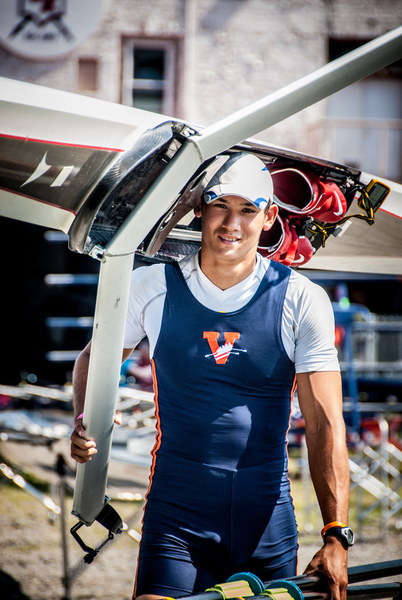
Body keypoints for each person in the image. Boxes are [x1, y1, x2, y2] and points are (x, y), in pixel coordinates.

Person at [70, 152, 351, 600]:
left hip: (266, 521)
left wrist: (337, 534)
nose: (231, 224)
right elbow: (93, 359)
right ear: (199, 209)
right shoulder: (151, 285)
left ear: (270, 216)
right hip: (177, 515)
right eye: (220, 205)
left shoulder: (301, 298)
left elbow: (325, 425)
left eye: (248, 210)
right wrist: (86, 413)